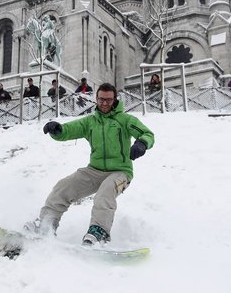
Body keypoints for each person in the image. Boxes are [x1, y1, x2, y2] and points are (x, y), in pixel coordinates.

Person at [31, 83, 155, 245]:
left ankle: (100, 232)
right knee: (64, 186)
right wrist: (57, 129)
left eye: (109, 100)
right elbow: (70, 130)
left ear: (115, 100)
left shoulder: (125, 120)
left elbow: (147, 133)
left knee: (105, 192)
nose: (105, 103)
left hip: (120, 172)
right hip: (94, 171)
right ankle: (46, 224)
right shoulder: (91, 121)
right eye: (102, 99)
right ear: (96, 99)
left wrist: (142, 144)